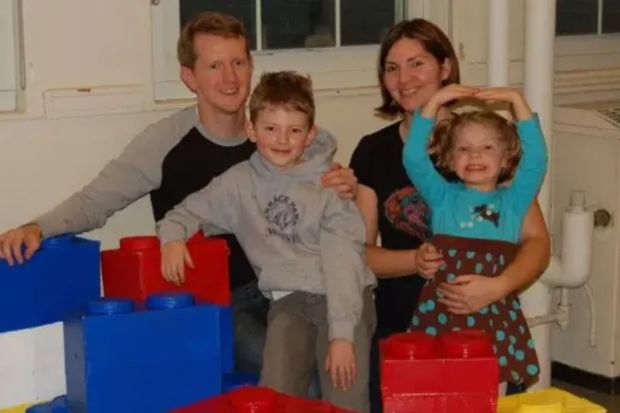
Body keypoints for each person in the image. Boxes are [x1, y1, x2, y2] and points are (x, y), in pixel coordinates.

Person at [0, 12, 357, 376]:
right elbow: (97, 200)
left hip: (291, 289)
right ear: (190, 77)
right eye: (215, 65)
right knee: (293, 371)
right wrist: (38, 227)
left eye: (238, 62)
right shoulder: (165, 142)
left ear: (251, 67)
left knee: (341, 360)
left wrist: (345, 183)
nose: (230, 77)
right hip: (215, 303)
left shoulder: (278, 135)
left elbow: (328, 194)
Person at [349, 18, 551, 412]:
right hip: (406, 325)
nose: (403, 77)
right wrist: (414, 261)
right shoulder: (377, 152)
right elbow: (358, 251)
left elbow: (538, 243)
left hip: (487, 317)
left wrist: (498, 286)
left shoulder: (484, 141)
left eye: (417, 63)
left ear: (445, 68)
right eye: (392, 67)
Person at [157, 71, 376, 412]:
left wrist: (342, 334)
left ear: (310, 134)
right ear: (251, 129)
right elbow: (185, 212)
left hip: (343, 297)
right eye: (271, 128)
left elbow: (343, 263)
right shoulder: (239, 183)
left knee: (343, 393)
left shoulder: (329, 186)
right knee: (276, 394)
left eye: (294, 130)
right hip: (288, 301)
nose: (282, 139)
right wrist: (172, 239)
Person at [403, 84, 548, 388]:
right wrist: (435, 101)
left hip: (493, 314)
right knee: (442, 392)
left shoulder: (513, 202)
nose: (475, 156)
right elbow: (414, 159)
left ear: (507, 159)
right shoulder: (442, 197)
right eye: (464, 149)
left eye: (487, 148)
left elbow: (536, 159)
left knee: (489, 393)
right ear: (449, 158)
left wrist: (516, 100)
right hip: (444, 313)